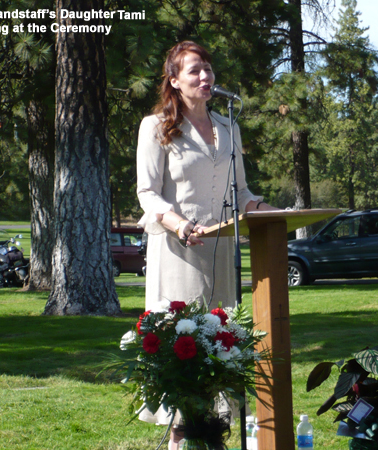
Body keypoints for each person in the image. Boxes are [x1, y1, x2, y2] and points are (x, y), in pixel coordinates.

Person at [135, 41, 275, 445]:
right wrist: (179, 224)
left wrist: (271, 211)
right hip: (179, 253)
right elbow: (147, 193)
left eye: (209, 69)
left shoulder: (229, 127)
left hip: (221, 254)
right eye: (195, 70)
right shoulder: (156, 126)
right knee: (184, 354)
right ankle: (181, 440)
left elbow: (243, 192)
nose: (205, 76)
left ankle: (213, 440)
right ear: (175, 81)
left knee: (220, 351)